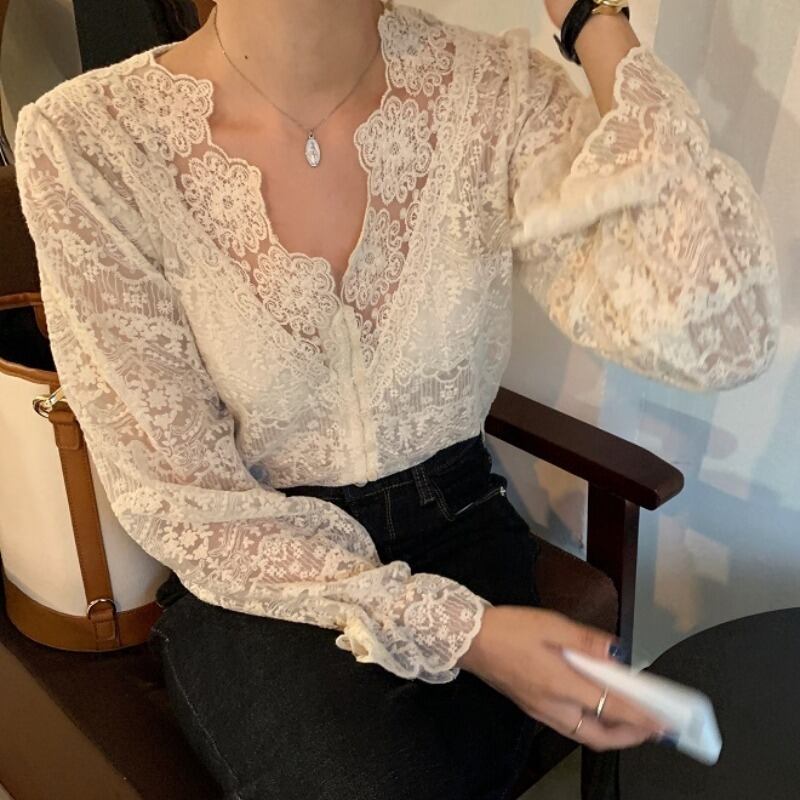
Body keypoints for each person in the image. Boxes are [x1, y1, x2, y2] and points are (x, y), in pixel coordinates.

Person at [13, 0, 779, 797]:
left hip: (461, 524)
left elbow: (725, 333)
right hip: (260, 567)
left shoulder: (494, 92)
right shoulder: (88, 141)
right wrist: (468, 634)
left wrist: (594, 20)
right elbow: (179, 496)